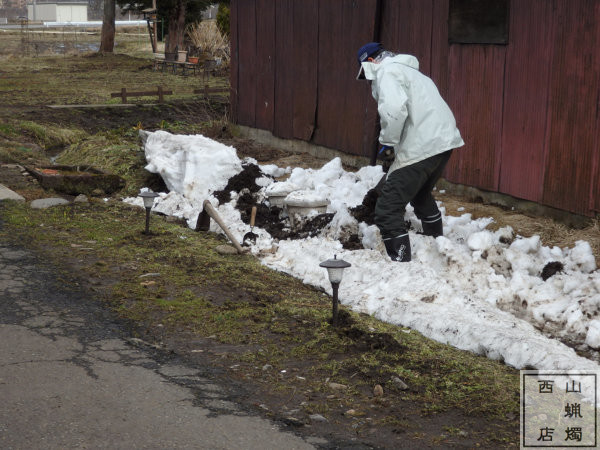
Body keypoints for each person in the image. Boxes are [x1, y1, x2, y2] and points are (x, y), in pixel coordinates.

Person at [356, 42, 465, 262]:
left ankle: (402, 265)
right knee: (420, 193)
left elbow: (394, 110)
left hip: (422, 144)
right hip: (443, 142)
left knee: (387, 209)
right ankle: (436, 245)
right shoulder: (413, 74)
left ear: (370, 62)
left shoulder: (387, 71)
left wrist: (387, 142)